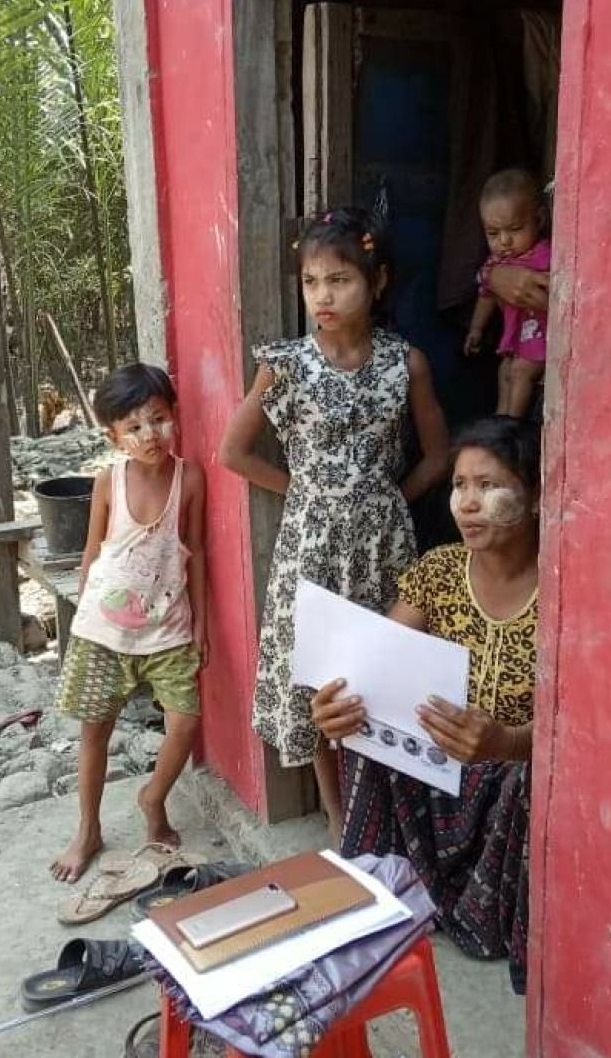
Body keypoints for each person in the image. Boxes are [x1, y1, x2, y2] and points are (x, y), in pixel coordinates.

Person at [220, 206, 449, 845]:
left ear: (376, 283)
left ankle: (390, 805)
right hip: (310, 546)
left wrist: (386, 497)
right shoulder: (285, 364)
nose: (323, 295)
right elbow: (232, 453)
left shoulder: (406, 364)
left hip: (386, 543)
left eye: (340, 280)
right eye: (312, 281)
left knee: (383, 669)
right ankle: (336, 812)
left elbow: (438, 454)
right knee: (320, 674)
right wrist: (309, 494)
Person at [310, 417, 540, 992]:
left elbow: (585, 724)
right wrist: (334, 705)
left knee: (532, 778)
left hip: (511, 770)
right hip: (442, 764)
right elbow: (371, 670)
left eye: (489, 486)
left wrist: (508, 742)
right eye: (460, 485)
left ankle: (485, 916)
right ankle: (381, 884)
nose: (468, 503)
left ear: (536, 496)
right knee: (365, 729)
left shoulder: (568, 585)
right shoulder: (438, 573)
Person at [52, 364, 208, 882]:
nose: (150, 436)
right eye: (135, 427)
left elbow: (198, 553)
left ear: (174, 417)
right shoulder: (108, 481)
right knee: (95, 732)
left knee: (184, 722)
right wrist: (80, 616)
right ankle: (88, 828)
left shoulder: (190, 479)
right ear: (113, 436)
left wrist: (203, 623)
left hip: (168, 627)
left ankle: (152, 797)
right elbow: (93, 552)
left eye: (158, 420)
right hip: (104, 631)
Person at [465, 169, 552, 419]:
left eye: (515, 229)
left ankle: (512, 423)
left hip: (539, 338)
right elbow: (486, 295)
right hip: (516, 341)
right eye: (493, 233)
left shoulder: (544, 256)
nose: (504, 241)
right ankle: (500, 421)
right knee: (504, 370)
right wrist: (476, 329)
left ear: (539, 220)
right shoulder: (494, 264)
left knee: (521, 371)